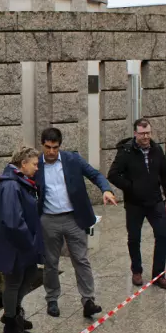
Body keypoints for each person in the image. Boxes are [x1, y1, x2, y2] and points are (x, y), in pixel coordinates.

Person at [35, 128, 118, 319]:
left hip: (74, 218)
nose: (51, 152)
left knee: (81, 259)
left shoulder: (72, 159)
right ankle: (52, 298)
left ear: (60, 146)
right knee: (50, 262)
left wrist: (106, 190)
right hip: (48, 219)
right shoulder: (36, 164)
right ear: (42, 145)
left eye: (55, 147)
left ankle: (88, 300)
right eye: (47, 147)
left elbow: (95, 175)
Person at [0, 146, 45, 333]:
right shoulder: (11, 185)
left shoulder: (20, 181)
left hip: (23, 243)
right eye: (35, 164)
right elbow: (13, 221)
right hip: (15, 245)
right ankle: (11, 324)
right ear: (23, 163)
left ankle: (13, 312)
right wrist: (29, 243)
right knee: (14, 281)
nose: (37, 168)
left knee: (29, 275)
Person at [107, 118, 166, 290]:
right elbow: (113, 174)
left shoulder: (156, 149)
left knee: (162, 236)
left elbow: (165, 173)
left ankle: (159, 275)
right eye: (142, 133)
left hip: (155, 202)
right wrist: (130, 187)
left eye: (148, 133)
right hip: (134, 204)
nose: (146, 137)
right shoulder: (126, 151)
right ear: (135, 133)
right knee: (134, 238)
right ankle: (136, 271)